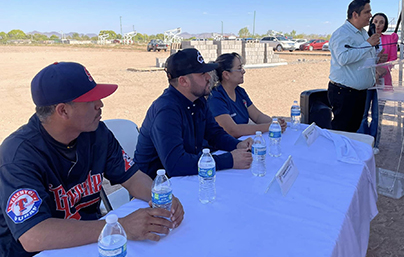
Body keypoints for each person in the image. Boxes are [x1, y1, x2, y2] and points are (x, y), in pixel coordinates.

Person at [0, 62, 185, 257]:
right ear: (63, 111)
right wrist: (122, 226)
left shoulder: (96, 133)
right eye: (90, 99)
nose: (100, 104)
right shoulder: (18, 155)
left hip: (91, 241)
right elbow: (33, 236)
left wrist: (161, 197)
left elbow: (132, 177)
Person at [134, 48, 253, 180]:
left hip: (185, 178)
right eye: (202, 74)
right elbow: (176, 165)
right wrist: (229, 160)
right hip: (156, 190)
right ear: (183, 81)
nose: (209, 77)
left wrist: (236, 144)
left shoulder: (198, 99)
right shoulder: (166, 110)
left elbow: (214, 133)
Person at [327, 0, 381, 132]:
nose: (370, 16)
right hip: (344, 93)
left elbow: (360, 56)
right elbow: (343, 58)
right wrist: (368, 44)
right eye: (367, 12)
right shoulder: (342, 34)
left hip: (359, 93)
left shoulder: (363, 32)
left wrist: (377, 57)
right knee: (342, 132)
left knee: (353, 130)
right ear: (355, 14)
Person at [207, 52, 287, 138]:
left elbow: (257, 116)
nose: (243, 71)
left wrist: (275, 123)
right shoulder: (215, 97)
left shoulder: (240, 92)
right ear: (226, 74)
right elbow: (232, 130)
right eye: (239, 68)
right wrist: (268, 127)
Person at [357, 13, 398, 152]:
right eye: (375, 21)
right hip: (366, 82)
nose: (378, 25)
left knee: (377, 115)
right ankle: (363, 141)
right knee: (362, 114)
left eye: (381, 22)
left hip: (382, 81)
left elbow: (392, 59)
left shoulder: (390, 39)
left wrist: (382, 68)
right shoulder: (364, 39)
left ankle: (375, 143)